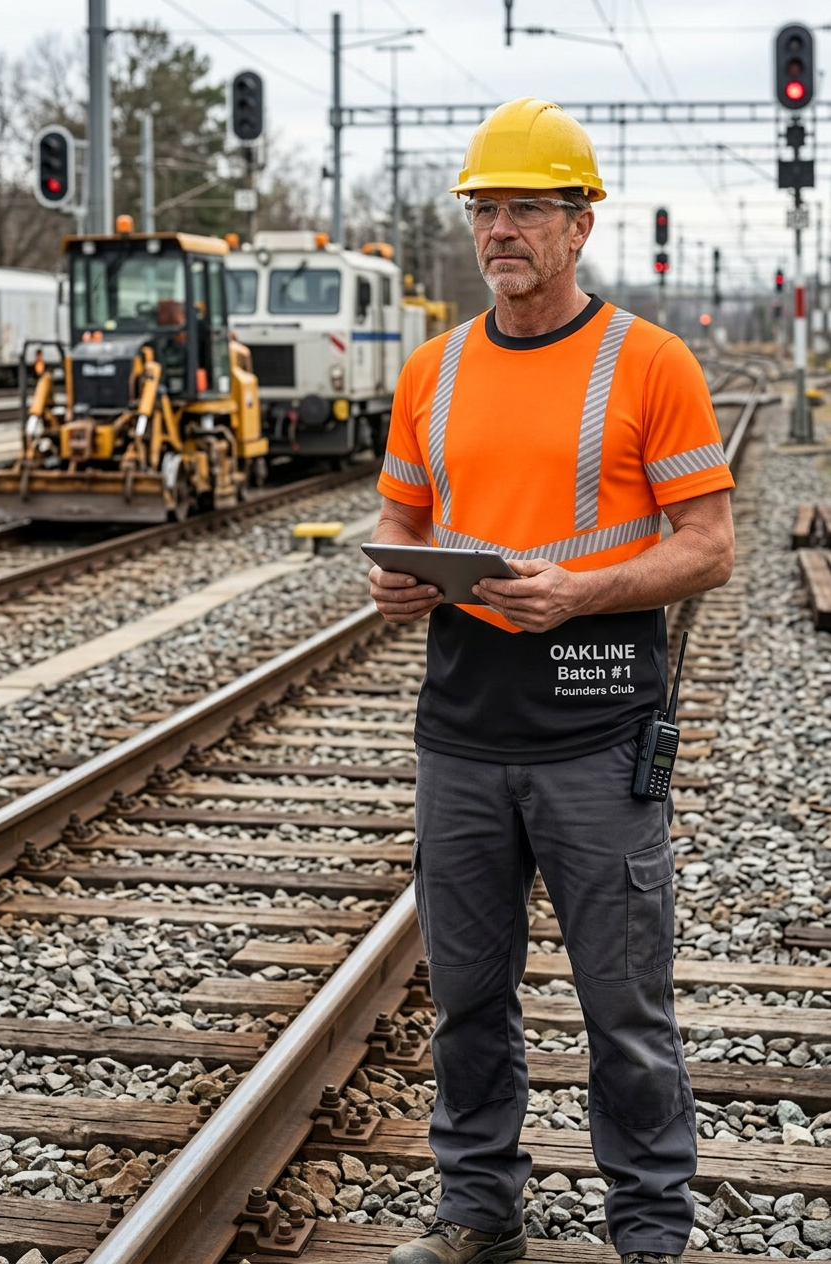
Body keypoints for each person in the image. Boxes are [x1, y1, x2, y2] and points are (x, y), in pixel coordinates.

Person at [368, 97, 735, 1264]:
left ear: (581, 223)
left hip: (596, 731)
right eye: (487, 208)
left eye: (527, 207)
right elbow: (399, 517)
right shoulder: (432, 370)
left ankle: (650, 1232)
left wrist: (577, 593)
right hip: (462, 734)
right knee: (468, 997)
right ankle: (478, 1211)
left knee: (626, 1011)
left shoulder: (652, 362)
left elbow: (709, 544)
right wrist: (395, 579)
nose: (501, 230)